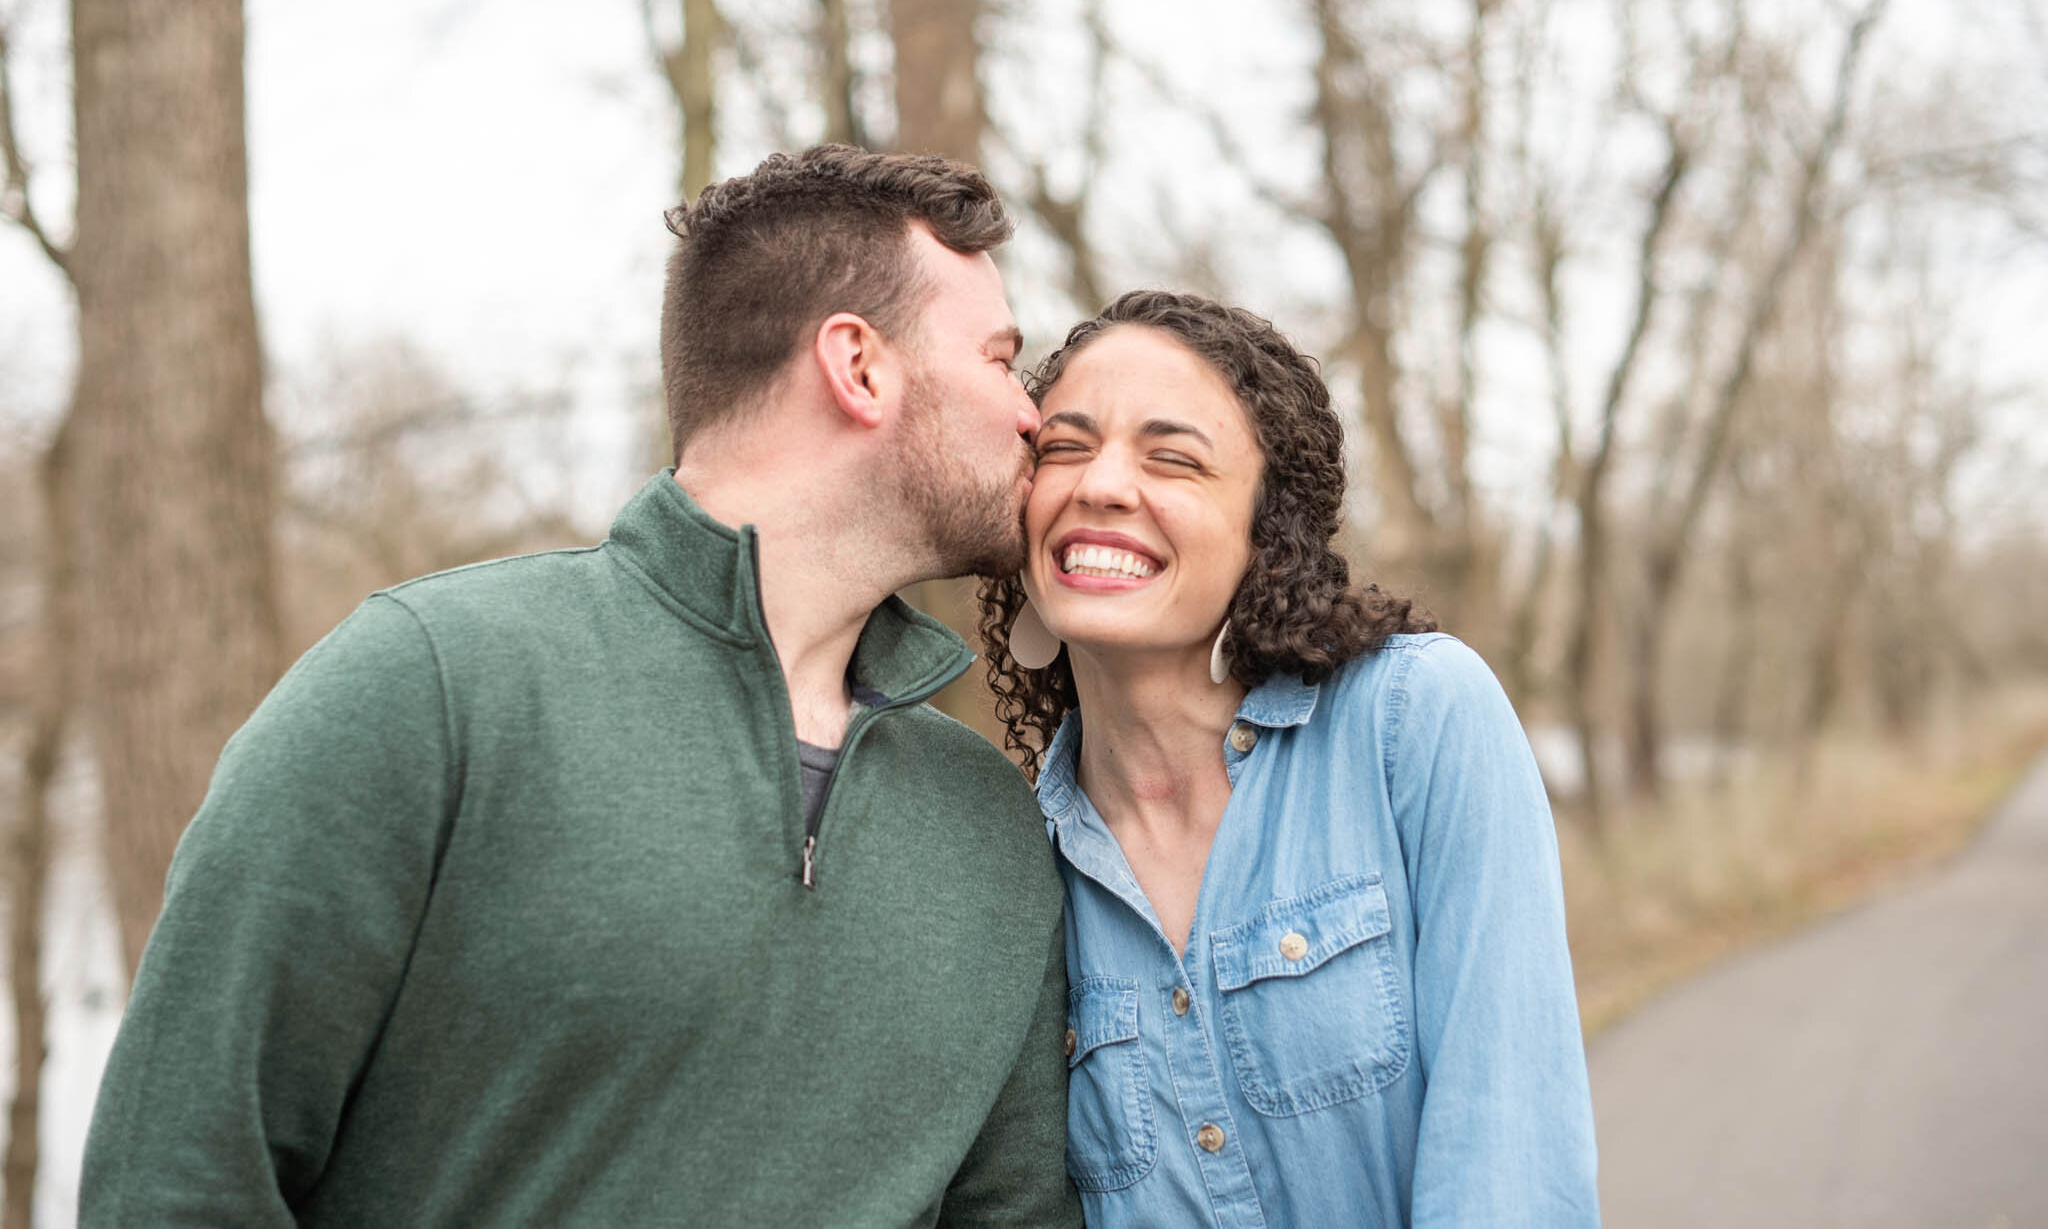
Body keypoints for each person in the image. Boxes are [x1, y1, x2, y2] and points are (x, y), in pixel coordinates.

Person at [82, 145, 1082, 1228]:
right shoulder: (431, 688)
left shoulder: (990, 820)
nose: (1033, 417)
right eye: (996, 358)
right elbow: (176, 1178)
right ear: (859, 364)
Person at [978, 290, 1600, 1227]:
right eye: (1064, 446)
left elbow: (1509, 1166)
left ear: (1268, 537)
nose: (1100, 484)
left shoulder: (1415, 722)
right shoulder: (1008, 860)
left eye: (1173, 458)